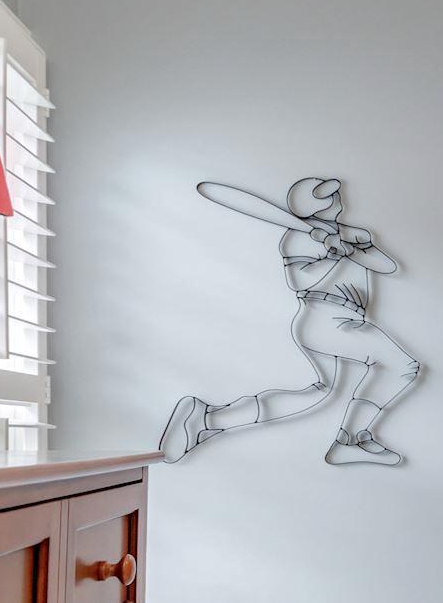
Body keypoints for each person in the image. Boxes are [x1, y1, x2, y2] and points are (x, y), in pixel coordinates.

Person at [158, 177, 421, 467]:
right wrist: (332, 254)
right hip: (326, 317)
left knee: (320, 392)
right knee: (401, 365)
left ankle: (209, 418)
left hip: (344, 318)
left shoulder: (349, 233)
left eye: (334, 195)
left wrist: (358, 246)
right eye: (327, 197)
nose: (336, 199)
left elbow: (387, 266)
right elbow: (300, 280)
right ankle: (351, 439)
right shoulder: (298, 236)